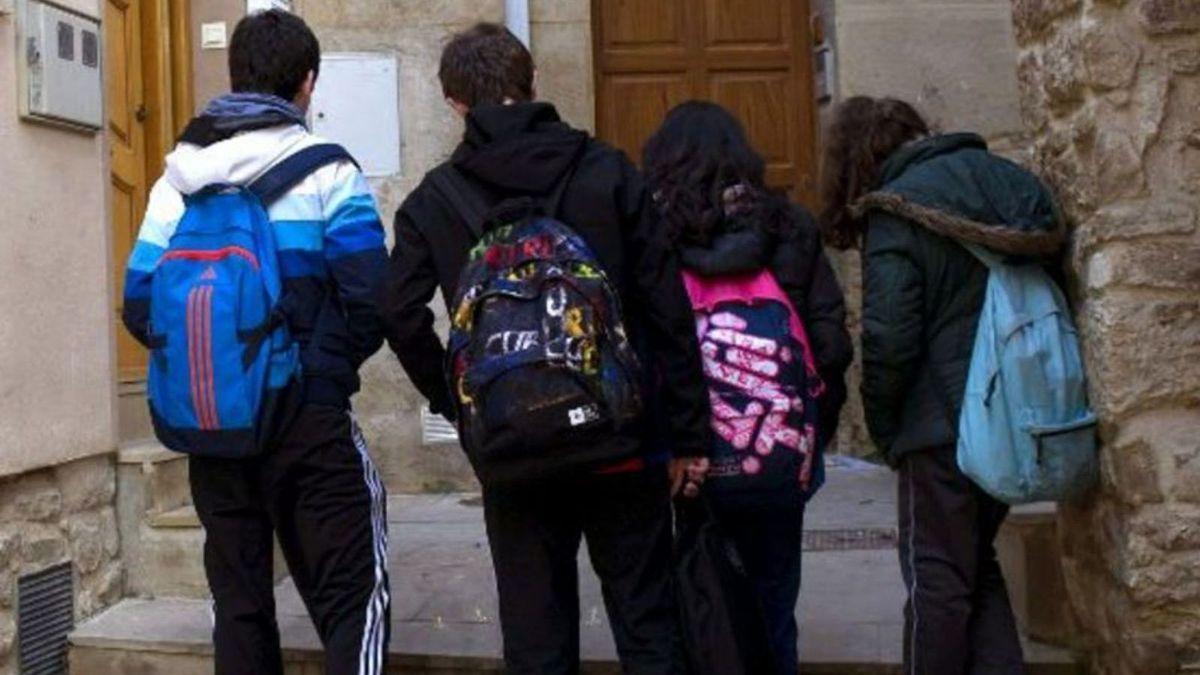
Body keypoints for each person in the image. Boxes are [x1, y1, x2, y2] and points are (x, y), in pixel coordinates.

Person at [381, 23, 711, 675]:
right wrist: (689, 434)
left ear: (454, 102)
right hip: (620, 439)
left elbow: (395, 309)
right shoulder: (608, 171)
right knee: (648, 624)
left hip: (512, 449)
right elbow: (666, 308)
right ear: (534, 85)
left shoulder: (434, 200)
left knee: (536, 639)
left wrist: (456, 401)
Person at [121, 11, 390, 674]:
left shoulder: (175, 179)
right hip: (307, 420)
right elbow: (370, 297)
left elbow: (137, 303)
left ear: (235, 74)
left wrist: (209, 367)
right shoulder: (329, 171)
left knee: (239, 601)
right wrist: (318, 373)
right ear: (307, 83)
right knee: (352, 593)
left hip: (214, 420)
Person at [821, 96, 1064, 674]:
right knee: (975, 565)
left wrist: (887, 427)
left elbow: (889, 339)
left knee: (937, 577)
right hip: (1015, 413)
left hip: (940, 428)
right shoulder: (1007, 184)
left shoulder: (897, 211)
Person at [642, 101, 853, 675]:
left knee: (698, 592)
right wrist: (810, 430)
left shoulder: (651, 236)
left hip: (689, 457)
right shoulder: (789, 226)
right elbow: (831, 345)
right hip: (780, 453)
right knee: (773, 600)